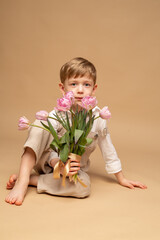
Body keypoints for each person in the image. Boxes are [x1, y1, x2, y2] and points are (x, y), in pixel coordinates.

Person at [5, 57, 147, 206]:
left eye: (86, 84)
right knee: (40, 122)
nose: (80, 90)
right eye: (73, 84)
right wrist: (56, 163)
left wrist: (121, 178)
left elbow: (107, 147)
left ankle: (33, 180)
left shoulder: (97, 117)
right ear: (62, 88)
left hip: (70, 172)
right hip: (48, 161)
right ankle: (22, 179)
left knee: (82, 188)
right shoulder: (58, 114)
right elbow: (51, 146)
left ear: (94, 89)